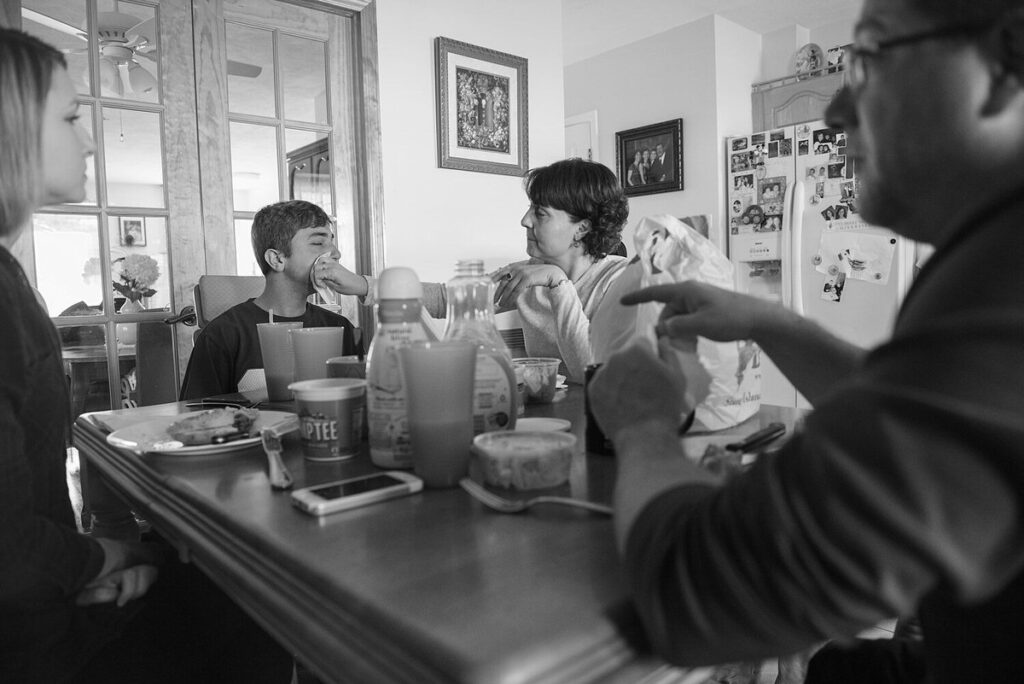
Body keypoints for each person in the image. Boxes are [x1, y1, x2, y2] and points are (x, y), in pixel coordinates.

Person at [587, 1, 1024, 683]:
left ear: (1002, 63)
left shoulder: (1003, 281)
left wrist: (644, 423)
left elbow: (695, 594)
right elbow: (920, 411)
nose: (836, 109)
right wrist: (771, 322)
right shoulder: (988, 259)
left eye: (872, 57)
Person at [0, 28, 292, 683]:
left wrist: (84, 564)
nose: (91, 138)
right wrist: (122, 561)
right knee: (263, 601)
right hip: (32, 644)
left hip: (46, 598)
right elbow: (9, 555)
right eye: (72, 117)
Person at [315, 159, 630, 383]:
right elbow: (449, 299)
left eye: (540, 213)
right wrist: (360, 284)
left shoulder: (621, 281)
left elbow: (591, 373)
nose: (525, 221)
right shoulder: (528, 275)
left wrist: (558, 283)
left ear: (582, 228)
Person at [179, 199, 358, 400]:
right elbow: (197, 417)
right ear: (277, 259)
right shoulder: (222, 335)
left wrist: (363, 287)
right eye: (318, 243)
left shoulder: (340, 328)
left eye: (332, 242)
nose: (336, 254)